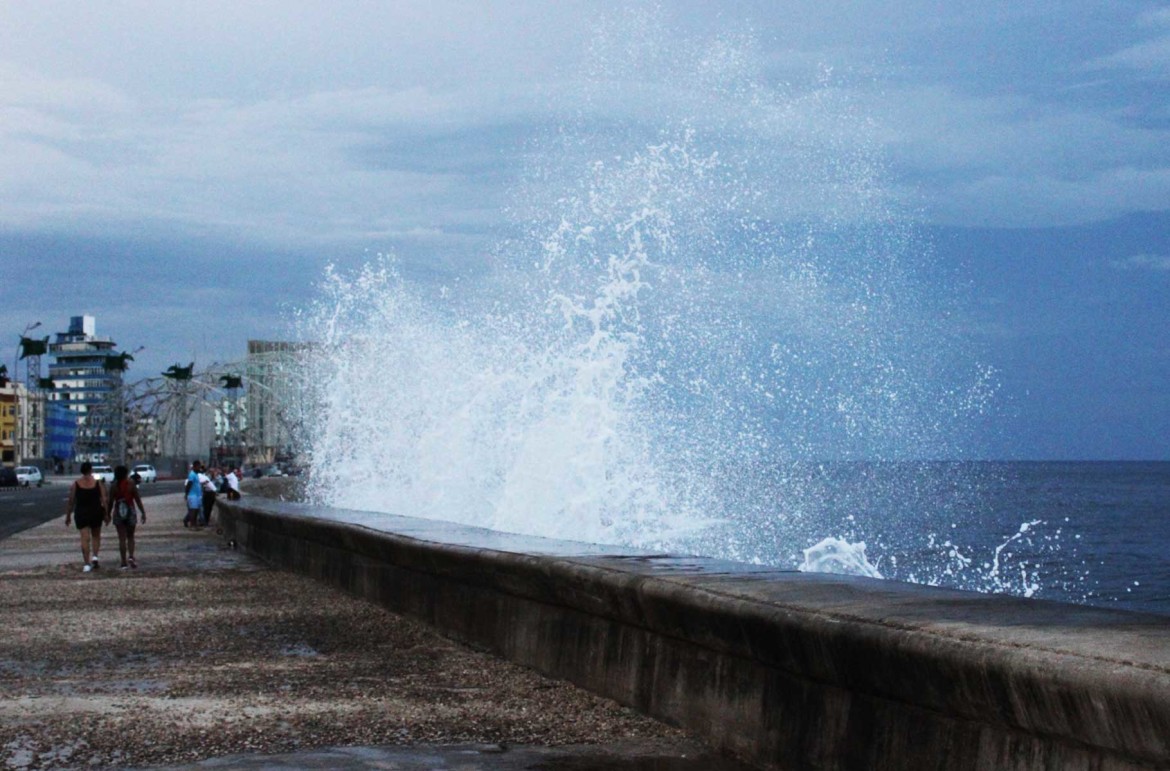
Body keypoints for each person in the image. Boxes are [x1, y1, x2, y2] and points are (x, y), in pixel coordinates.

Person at [65, 461, 108, 572]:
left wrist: (68, 515)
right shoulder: (98, 483)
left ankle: (86, 563)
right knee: (96, 535)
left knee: (85, 538)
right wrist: (107, 513)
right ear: (91, 470)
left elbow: (71, 501)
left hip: (82, 513)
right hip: (96, 512)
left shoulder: (76, 484)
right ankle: (95, 557)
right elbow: (104, 499)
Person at [108, 465, 146, 569]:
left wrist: (107, 514)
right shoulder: (131, 484)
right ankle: (131, 556)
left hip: (118, 512)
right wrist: (143, 512)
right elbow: (137, 499)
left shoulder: (114, 486)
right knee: (130, 536)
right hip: (130, 510)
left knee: (121, 538)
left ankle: (123, 562)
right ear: (126, 474)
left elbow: (110, 502)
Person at [184, 461, 204, 528]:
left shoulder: (196, 474)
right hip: (192, 495)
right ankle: (192, 524)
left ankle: (193, 523)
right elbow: (189, 485)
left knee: (196, 510)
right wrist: (186, 494)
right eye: (198, 467)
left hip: (197, 495)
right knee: (193, 510)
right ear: (195, 467)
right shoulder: (192, 474)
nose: (199, 468)